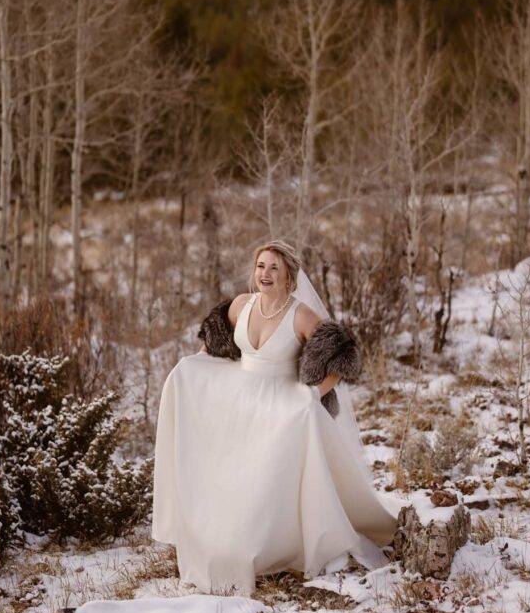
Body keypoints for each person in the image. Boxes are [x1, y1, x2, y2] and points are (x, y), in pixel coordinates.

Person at [151, 239, 397, 594]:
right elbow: (213, 344)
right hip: (239, 393)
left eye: (274, 269)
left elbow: (342, 358)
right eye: (260, 266)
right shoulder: (240, 305)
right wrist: (194, 366)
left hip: (279, 400)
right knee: (187, 382)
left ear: (289, 278)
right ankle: (214, 530)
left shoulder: (301, 315)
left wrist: (314, 395)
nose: (265, 274)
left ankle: (271, 542)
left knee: (267, 476)